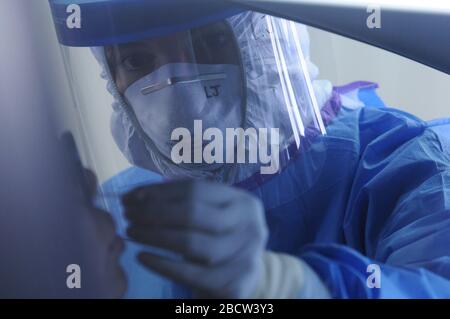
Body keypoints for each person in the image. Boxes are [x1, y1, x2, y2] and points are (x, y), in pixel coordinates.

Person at [90, 11, 450, 298]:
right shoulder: (120, 216)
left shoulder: (399, 164)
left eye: (210, 42)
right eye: (137, 60)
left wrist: (286, 284)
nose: (180, 94)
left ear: (266, 37)